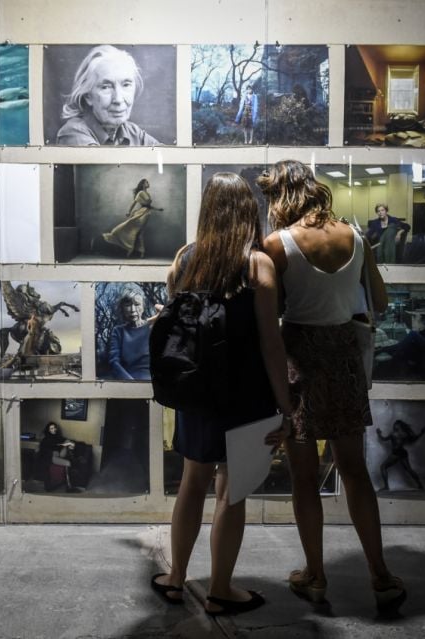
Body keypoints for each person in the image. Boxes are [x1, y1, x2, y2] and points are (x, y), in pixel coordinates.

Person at [259, 159, 405, 611]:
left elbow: (274, 311)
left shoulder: (277, 245)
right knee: (355, 471)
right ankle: (380, 575)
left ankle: (315, 576)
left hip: (299, 359)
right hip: (344, 356)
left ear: (279, 196)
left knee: (304, 477)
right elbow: (377, 299)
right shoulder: (356, 236)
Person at [151, 172, 292, 615]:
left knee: (192, 483)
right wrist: (287, 407)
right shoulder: (257, 265)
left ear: (207, 211)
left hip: (199, 391)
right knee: (232, 490)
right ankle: (220, 589)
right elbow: (271, 343)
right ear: (248, 210)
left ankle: (175, 578)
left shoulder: (185, 258)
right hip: (247, 394)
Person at [56, 45, 159, 146]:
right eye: (106, 87)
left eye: (126, 85)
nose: (118, 99)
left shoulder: (133, 133)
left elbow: (167, 157)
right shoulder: (73, 133)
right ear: (88, 96)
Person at [98, 178, 163, 258]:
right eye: (146, 182)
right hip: (142, 213)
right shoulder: (141, 192)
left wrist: (157, 209)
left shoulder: (147, 193)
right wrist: (129, 212)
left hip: (146, 213)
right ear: (143, 184)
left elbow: (148, 206)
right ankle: (131, 249)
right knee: (135, 231)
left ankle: (139, 251)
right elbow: (134, 203)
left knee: (140, 233)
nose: (148, 183)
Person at [107, 286, 151, 380]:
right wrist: (132, 384)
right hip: (126, 383)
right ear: (122, 308)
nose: (132, 309)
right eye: (127, 305)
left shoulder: (152, 327)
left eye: (137, 304)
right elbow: (114, 363)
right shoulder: (118, 331)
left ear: (143, 306)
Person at [376, 420, 425, 491]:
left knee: (383, 467)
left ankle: (386, 487)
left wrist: (379, 433)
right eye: (394, 425)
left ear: (399, 426)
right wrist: (421, 433)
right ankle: (420, 485)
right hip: (401, 453)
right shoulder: (404, 434)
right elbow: (414, 439)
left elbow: (384, 438)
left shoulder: (394, 434)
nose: (394, 426)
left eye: (396, 425)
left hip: (397, 453)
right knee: (409, 470)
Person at [35, 422, 79, 492]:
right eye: (51, 428)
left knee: (68, 442)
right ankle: (69, 486)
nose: (54, 429)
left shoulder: (57, 437)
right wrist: (64, 444)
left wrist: (70, 443)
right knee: (68, 463)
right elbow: (54, 445)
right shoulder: (46, 439)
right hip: (52, 457)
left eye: (54, 428)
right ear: (49, 430)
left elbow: (63, 441)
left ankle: (69, 486)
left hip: (59, 455)